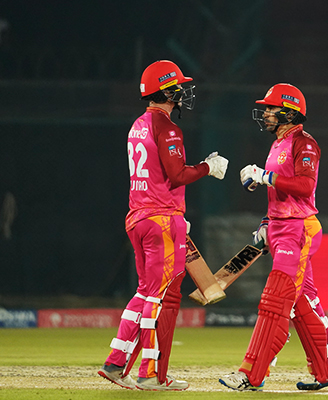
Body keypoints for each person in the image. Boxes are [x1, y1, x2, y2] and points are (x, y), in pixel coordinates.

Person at [97, 60, 229, 391]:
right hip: (161, 219)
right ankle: (151, 373)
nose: (183, 94)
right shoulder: (167, 127)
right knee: (158, 297)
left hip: (138, 216)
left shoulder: (138, 124)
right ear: (167, 91)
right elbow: (177, 174)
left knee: (144, 292)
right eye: (178, 88)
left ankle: (116, 362)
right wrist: (207, 167)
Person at [219, 83, 328, 391]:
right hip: (280, 228)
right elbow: (279, 194)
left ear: (289, 112)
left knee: (274, 303)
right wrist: (266, 222)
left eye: (271, 109)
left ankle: (251, 374)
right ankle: (327, 369)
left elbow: (304, 186)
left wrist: (265, 176)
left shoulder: (305, 143)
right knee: (302, 303)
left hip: (298, 230)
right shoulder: (278, 143)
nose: (265, 114)